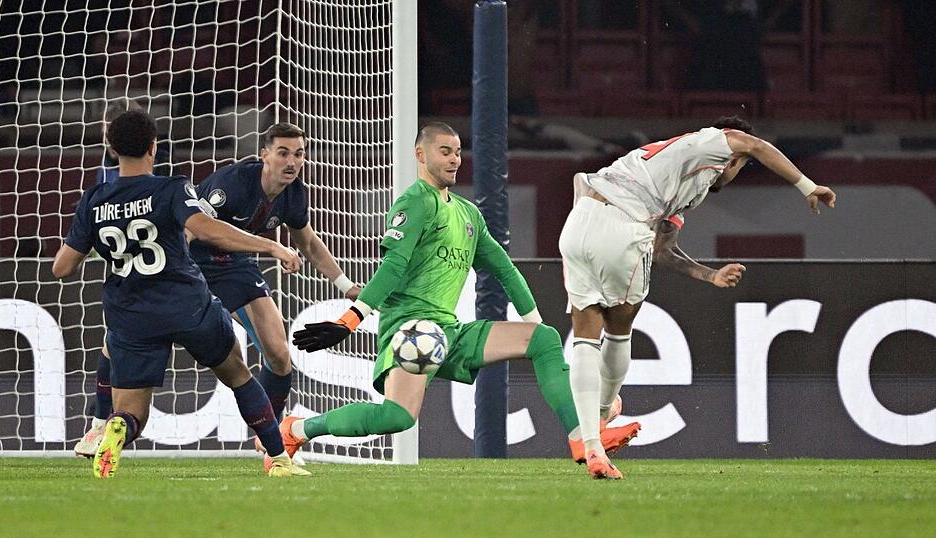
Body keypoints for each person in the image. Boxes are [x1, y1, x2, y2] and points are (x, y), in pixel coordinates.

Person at [287, 122, 641, 479]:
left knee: (545, 338)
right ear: (420, 154)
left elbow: (505, 270)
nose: (455, 159)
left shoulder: (469, 214)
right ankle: (297, 430)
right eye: (445, 151)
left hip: (449, 331)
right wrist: (350, 320)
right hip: (410, 331)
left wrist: (534, 325)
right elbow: (392, 267)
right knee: (397, 418)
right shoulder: (413, 203)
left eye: (457, 151)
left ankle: (584, 439)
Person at [559, 116, 837, 478]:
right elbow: (754, 143)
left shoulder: (680, 176)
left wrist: (711, 275)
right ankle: (602, 413)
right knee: (619, 327)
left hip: (579, 222)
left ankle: (592, 442)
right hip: (624, 224)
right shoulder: (710, 142)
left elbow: (661, 250)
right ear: (733, 156)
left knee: (584, 332)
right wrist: (807, 185)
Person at [52, 109, 308, 478]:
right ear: (154, 147)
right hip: (187, 305)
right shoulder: (172, 188)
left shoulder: (94, 201)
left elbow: (62, 267)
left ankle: (115, 427)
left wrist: (98, 239)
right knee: (238, 375)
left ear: (110, 149)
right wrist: (271, 247)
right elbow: (208, 229)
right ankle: (278, 459)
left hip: (132, 314)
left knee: (131, 413)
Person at [190, 123, 361, 448]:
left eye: (298, 154)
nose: (292, 162)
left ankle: (270, 439)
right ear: (264, 154)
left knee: (280, 355)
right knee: (158, 334)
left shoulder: (294, 194)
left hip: (235, 266)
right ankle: (102, 418)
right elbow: (195, 228)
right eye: (283, 153)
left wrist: (346, 286)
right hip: (190, 264)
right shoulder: (232, 183)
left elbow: (309, 244)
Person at [73, 98, 173, 458]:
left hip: (145, 273)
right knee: (111, 345)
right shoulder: (111, 172)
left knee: (114, 345)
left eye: (107, 128)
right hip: (143, 270)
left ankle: (102, 426)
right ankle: (102, 426)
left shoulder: (124, 173)